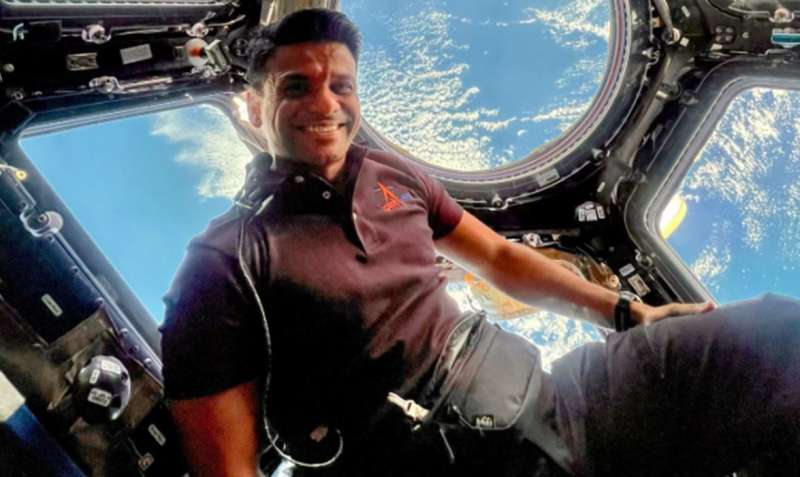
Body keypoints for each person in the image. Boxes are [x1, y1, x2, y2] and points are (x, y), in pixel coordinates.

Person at [160, 8, 800, 477]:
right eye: (295, 86)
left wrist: (630, 314)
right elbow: (227, 468)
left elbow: (499, 258)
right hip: (431, 463)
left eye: (341, 85)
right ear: (254, 107)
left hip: (558, 400)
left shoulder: (393, 177)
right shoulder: (222, 265)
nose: (325, 104)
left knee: (774, 336)